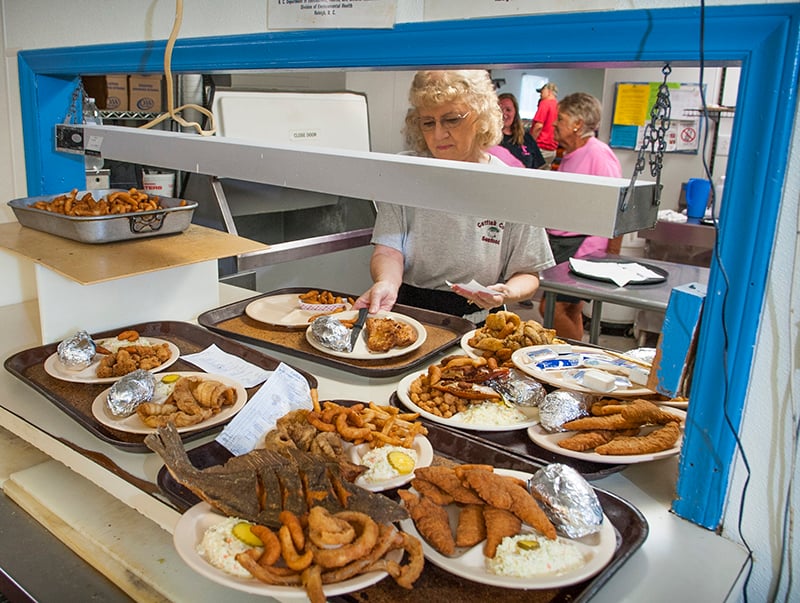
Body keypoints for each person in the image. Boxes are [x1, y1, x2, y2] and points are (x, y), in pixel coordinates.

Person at [355, 70, 555, 323]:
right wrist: (386, 283)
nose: (438, 134)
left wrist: (507, 292)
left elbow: (528, 273)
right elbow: (388, 251)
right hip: (410, 310)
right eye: (428, 122)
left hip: (479, 315)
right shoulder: (405, 175)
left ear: (481, 116)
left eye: (452, 120)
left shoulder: (511, 185)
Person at [540, 92, 623, 340]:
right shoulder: (569, 153)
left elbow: (616, 206)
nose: (554, 124)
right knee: (567, 308)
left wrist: (603, 254)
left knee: (553, 309)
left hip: (581, 244)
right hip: (561, 241)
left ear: (577, 124)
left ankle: (568, 357)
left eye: (561, 118)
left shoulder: (598, 154)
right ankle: (570, 359)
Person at [497, 92, 545, 169]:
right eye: (499, 110)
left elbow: (539, 167)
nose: (503, 114)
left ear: (515, 113)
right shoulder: (488, 140)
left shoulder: (527, 138)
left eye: (508, 110)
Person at [530, 82, 559, 169]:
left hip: (541, 148)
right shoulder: (558, 106)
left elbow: (539, 126)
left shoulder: (545, 103)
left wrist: (530, 143)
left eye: (542, 92)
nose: (540, 95)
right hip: (552, 150)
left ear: (549, 92)